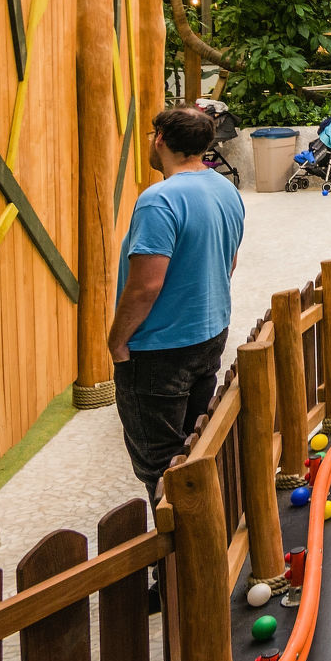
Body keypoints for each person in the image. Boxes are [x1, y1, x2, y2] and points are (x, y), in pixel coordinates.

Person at [108, 107, 245, 505]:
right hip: (210, 335)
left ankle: (178, 561)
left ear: (160, 140)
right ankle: (207, 534)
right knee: (195, 444)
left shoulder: (158, 201)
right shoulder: (225, 190)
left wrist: (118, 341)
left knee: (161, 464)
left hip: (159, 350)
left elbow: (146, 284)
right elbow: (228, 260)